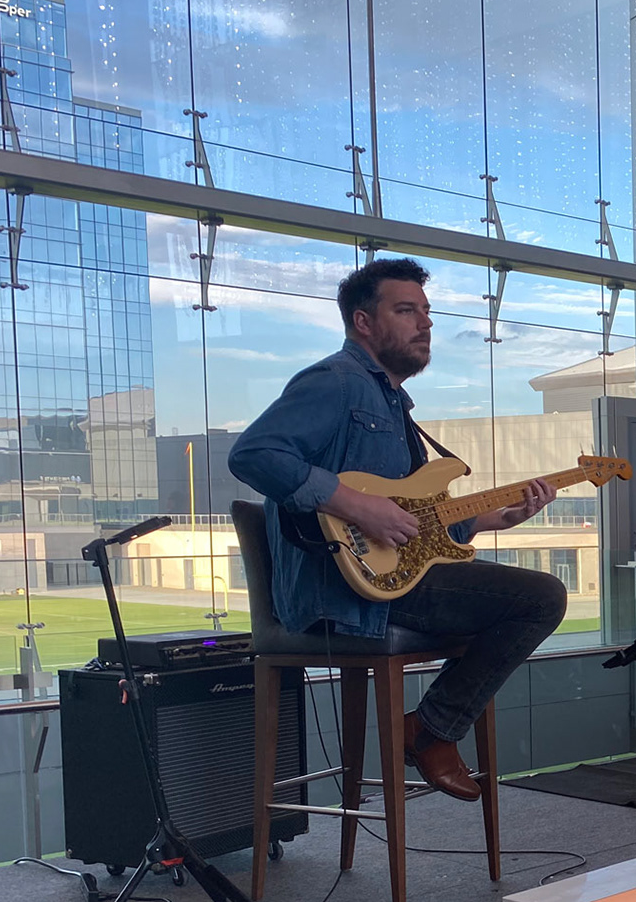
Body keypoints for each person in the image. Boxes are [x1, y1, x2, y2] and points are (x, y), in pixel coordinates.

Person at [229, 258, 566, 802]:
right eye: (406, 310)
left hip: (390, 580)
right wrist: (358, 506)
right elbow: (254, 454)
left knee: (518, 599)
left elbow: (415, 518)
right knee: (541, 598)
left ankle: (432, 727)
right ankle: (431, 729)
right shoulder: (336, 383)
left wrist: (492, 518)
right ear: (364, 322)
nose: (425, 323)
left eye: (427, 312)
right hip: (342, 591)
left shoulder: (393, 405)